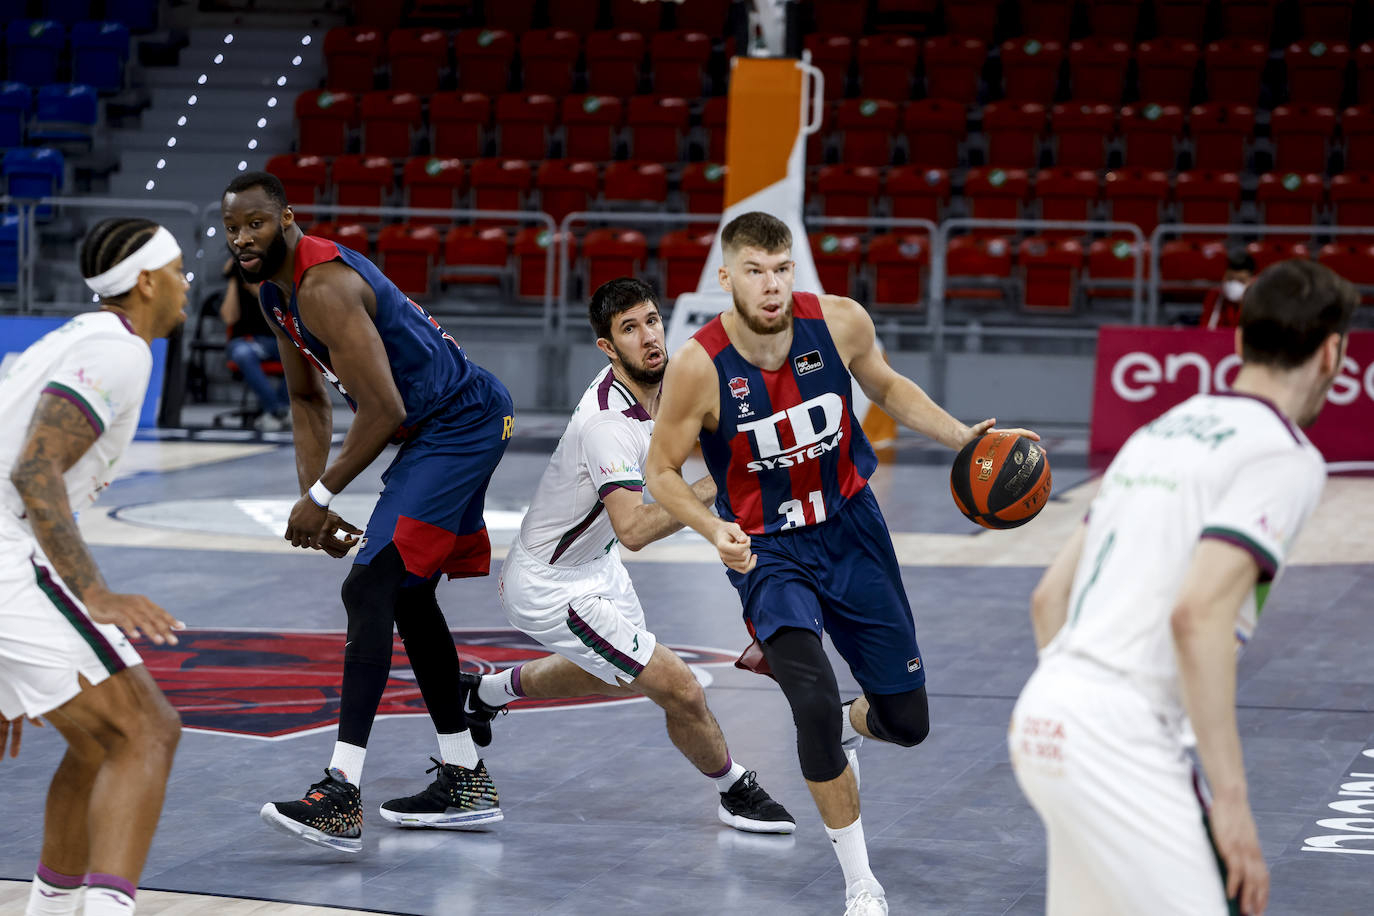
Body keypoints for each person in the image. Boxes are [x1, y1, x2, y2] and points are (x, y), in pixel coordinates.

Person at [643, 211, 1038, 916]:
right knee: (814, 704)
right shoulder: (698, 367)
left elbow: (884, 385)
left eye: (781, 269)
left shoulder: (840, 321)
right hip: (768, 550)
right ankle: (861, 882)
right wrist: (711, 528)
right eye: (755, 271)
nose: (771, 285)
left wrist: (960, 436)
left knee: (907, 722)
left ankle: (853, 729)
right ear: (726, 277)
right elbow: (661, 471)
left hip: (853, 532)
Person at [1009, 258, 1356, 916]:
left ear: (1238, 340)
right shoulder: (1285, 455)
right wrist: (1233, 800)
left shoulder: (1161, 428)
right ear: (1331, 354)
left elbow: (1047, 599)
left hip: (1044, 715)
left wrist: (1071, 710)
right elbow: (1198, 617)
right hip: (1123, 737)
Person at [220, 172, 515, 852]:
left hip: (459, 424)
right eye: (232, 227)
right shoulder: (274, 295)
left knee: (369, 587)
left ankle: (340, 794)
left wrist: (321, 497)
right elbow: (306, 401)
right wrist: (313, 501)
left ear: (286, 218)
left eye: (255, 223)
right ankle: (465, 779)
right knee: (406, 595)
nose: (243, 238)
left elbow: (383, 409)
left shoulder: (324, 285)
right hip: (441, 426)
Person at [464, 277, 795, 835]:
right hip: (552, 585)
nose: (649, 337)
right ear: (608, 347)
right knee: (679, 688)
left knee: (624, 676)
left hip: (597, 564)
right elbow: (635, 530)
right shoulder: (606, 426)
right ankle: (733, 787)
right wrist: (719, 482)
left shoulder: (665, 379)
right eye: (629, 329)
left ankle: (484, 693)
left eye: (652, 321)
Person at [0, 217, 188, 915]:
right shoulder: (118, 349)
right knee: (147, 731)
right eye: (177, 270)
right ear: (146, 281)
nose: (186, 284)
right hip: (5, 546)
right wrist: (96, 594)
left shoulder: (74, 338)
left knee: (93, 741)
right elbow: (35, 470)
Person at [217, 256, 290, 431]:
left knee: (304, 355)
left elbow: (286, 316)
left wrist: (261, 291)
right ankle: (277, 410)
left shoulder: (275, 281)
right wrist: (234, 279)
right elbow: (229, 317)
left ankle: (279, 408)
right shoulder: (238, 281)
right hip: (245, 341)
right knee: (243, 353)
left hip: (276, 341)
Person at [1199, 248, 1257, 330]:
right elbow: (1204, 329)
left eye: (1241, 280)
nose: (1234, 284)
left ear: (1253, 281)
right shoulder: (1215, 297)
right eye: (1230, 278)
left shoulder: (1260, 303)